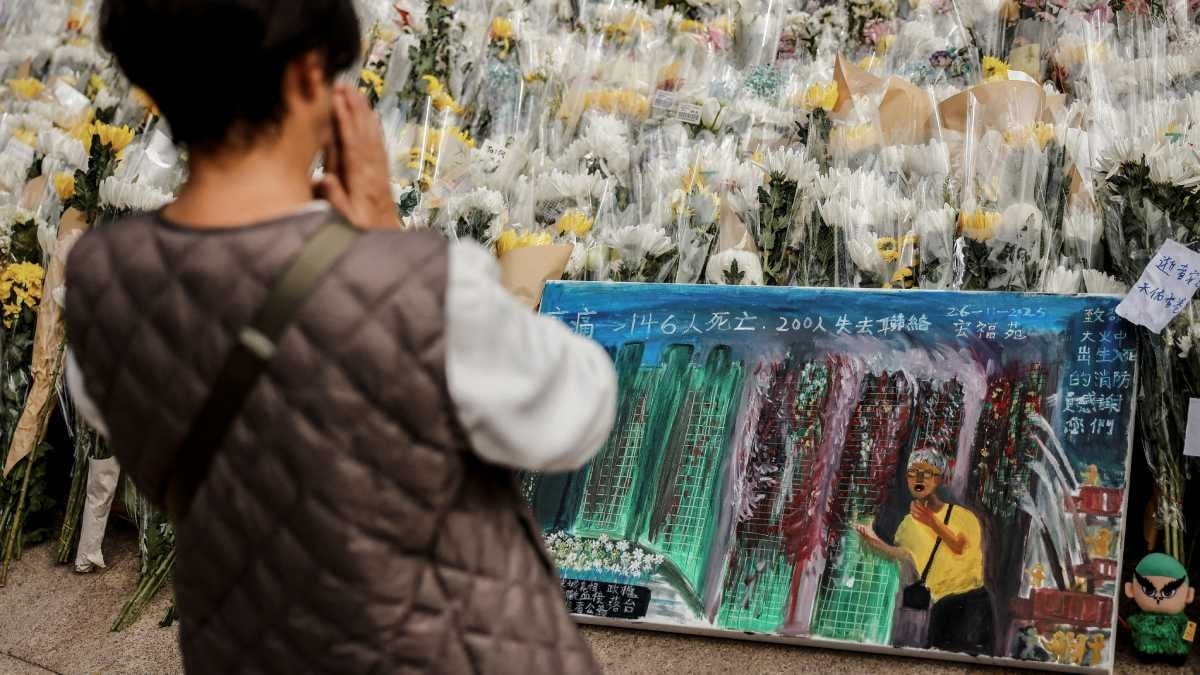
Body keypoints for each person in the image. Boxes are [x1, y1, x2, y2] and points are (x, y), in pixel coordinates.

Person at [63, 1, 617, 673]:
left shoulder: (103, 280)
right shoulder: (416, 286)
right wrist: (386, 234)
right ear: (305, 76)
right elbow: (579, 413)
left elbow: (122, 409)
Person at [855, 448, 995, 655]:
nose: (918, 478)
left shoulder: (962, 516)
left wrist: (932, 522)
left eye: (926, 473)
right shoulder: (907, 525)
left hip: (972, 603)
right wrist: (874, 541)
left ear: (938, 479)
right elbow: (906, 556)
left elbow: (960, 547)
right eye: (913, 472)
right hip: (939, 605)